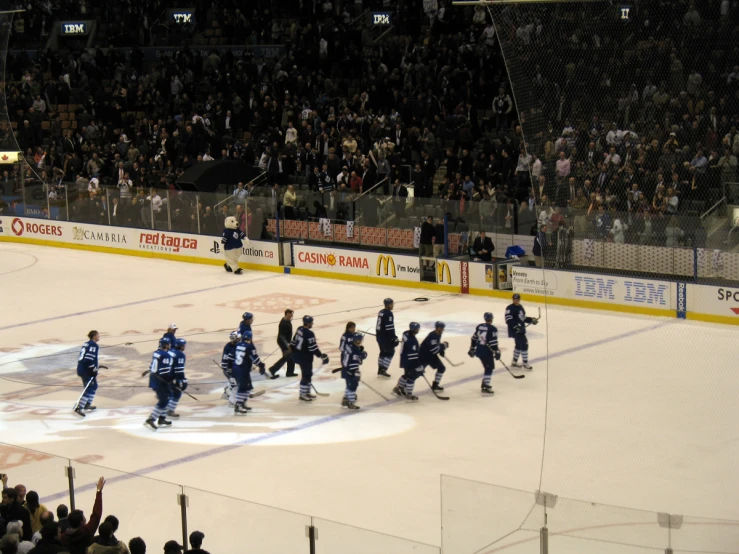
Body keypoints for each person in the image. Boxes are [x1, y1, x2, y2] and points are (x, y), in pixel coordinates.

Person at [59, 477, 105, 554]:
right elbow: (96, 514)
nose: (85, 518)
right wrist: (99, 491)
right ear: (81, 522)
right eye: (83, 517)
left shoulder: (64, 537)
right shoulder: (87, 531)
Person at [290, 316, 329, 402]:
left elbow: (293, 342)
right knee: (306, 374)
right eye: (311, 322)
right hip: (305, 357)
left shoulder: (299, 329)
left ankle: (307, 391)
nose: (312, 324)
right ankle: (302, 394)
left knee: (308, 373)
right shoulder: (309, 334)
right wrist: (321, 356)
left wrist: (292, 351)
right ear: (307, 323)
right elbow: (313, 348)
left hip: (299, 355)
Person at [144, 338, 175, 431]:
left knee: (169, 396)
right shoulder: (166, 355)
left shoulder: (157, 352)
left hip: (154, 378)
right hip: (160, 380)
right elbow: (164, 372)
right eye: (168, 344)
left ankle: (162, 419)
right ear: (166, 345)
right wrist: (171, 381)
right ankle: (151, 419)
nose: (170, 345)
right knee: (163, 401)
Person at [232, 330, 264, 415]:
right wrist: (261, 366)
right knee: (242, 388)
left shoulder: (238, 344)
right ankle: (238, 405)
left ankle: (242, 403)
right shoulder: (249, 347)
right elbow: (255, 359)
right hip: (242, 370)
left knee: (248, 386)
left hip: (236, 368)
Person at [468, 312, 501, 395]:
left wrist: (472, 348)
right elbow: (493, 342)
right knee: (489, 367)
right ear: (492, 318)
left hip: (479, 350)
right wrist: (496, 351)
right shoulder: (493, 328)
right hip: (486, 351)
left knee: (488, 367)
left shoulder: (479, 327)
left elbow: (474, 338)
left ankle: (485, 383)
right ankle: (485, 386)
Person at [505, 293, 537, 370]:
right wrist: (516, 327)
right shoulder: (510, 308)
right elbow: (508, 319)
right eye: (514, 299)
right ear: (513, 299)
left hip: (521, 330)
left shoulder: (520, 307)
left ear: (519, 300)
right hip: (515, 330)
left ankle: (514, 362)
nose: (516, 301)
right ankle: (525, 363)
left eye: (517, 299)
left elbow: (523, 318)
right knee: (524, 345)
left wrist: (531, 320)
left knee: (519, 346)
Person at [74, 330, 100, 417]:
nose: (99, 336)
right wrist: (93, 368)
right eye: (98, 335)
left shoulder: (87, 343)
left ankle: (86, 404)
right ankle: (79, 407)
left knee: (94, 386)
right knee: (89, 388)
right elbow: (88, 359)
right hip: (86, 370)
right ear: (94, 336)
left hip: (83, 368)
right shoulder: (93, 345)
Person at [392, 322, 421, 400]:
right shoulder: (413, 341)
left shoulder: (406, 333)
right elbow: (413, 355)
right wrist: (418, 365)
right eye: (417, 329)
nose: (418, 330)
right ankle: (409, 394)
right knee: (411, 376)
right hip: (409, 360)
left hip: (404, 358)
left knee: (407, 374)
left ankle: (398, 388)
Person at [420, 322, 448, 393]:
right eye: (441, 328)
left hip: (430, 356)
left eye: (442, 328)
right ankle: (401, 386)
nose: (442, 329)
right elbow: (434, 350)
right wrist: (444, 346)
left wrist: (441, 350)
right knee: (416, 373)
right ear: (437, 328)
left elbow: (436, 345)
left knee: (441, 368)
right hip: (424, 356)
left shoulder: (438, 334)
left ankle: (435, 385)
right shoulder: (432, 336)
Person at [341, 333, 367, 410]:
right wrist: (363, 354)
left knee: (349, 385)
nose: (360, 341)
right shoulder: (354, 349)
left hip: (347, 369)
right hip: (351, 370)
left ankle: (346, 399)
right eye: (359, 340)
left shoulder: (350, 346)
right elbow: (359, 358)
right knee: (353, 386)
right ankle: (351, 402)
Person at [267, 309, 296, 378]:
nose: (290, 317)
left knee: (291, 355)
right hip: (283, 342)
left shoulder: (287, 321)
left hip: (286, 342)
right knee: (286, 356)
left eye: (291, 316)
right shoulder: (283, 323)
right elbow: (282, 335)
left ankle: (290, 371)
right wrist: (287, 344)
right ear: (285, 315)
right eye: (289, 316)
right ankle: (272, 369)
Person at [375, 298, 398, 378]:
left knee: (383, 352)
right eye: (392, 304)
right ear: (388, 305)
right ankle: (383, 369)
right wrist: (393, 338)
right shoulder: (389, 314)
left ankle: (380, 368)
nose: (392, 305)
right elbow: (389, 328)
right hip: (385, 338)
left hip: (379, 336)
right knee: (390, 352)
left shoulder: (381, 312)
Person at [166, 339, 188, 419]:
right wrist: (182, 380)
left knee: (168, 393)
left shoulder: (170, 351)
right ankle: (170, 410)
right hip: (172, 377)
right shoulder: (180, 355)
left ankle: (165, 409)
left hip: (164, 375)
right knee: (177, 393)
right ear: (181, 346)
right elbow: (179, 370)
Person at [220, 331, 240, 404]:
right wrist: (227, 369)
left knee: (236, 382)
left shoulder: (238, 346)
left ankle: (227, 392)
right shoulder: (228, 347)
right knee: (234, 384)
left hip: (236, 368)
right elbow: (225, 360)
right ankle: (231, 399)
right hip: (229, 368)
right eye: (237, 339)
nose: (239, 340)